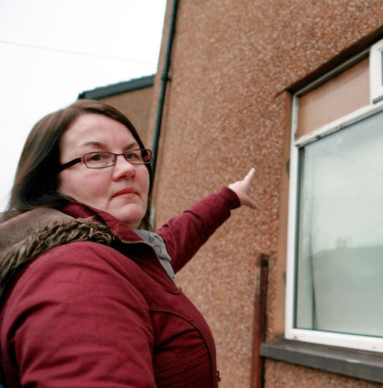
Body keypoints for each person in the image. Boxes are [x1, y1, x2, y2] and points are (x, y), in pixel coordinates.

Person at [0, 99, 256, 387]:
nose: (127, 169)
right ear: (49, 184)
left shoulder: (120, 253)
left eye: (134, 155)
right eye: (96, 157)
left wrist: (229, 197)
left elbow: (171, 240)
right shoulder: (77, 270)